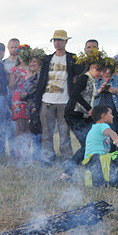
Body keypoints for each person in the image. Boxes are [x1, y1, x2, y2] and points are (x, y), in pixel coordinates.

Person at [35, 29, 78, 164]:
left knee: (64, 133)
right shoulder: (47, 59)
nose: (57, 43)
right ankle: (47, 158)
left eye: (60, 40)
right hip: (47, 100)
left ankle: (66, 159)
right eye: (55, 40)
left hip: (65, 101)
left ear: (66, 42)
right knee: (47, 133)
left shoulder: (72, 58)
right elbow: (42, 78)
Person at [83, 104, 118, 187]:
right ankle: (117, 181)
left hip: (91, 161)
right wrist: (117, 141)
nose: (113, 116)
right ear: (103, 116)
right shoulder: (103, 125)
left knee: (99, 183)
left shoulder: (94, 127)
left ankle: (108, 182)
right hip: (97, 159)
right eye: (111, 114)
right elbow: (111, 133)